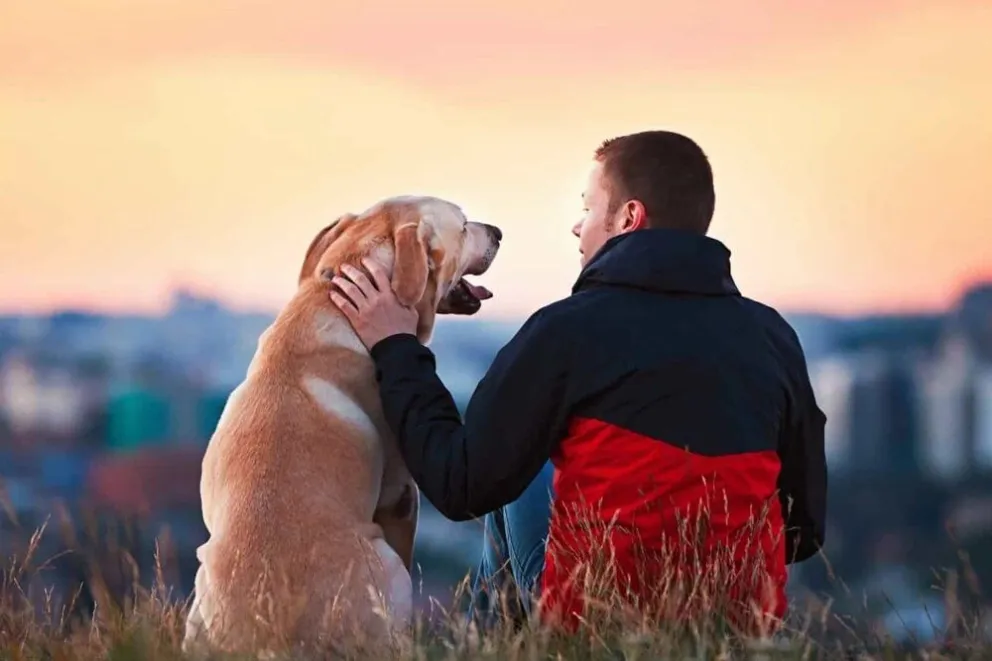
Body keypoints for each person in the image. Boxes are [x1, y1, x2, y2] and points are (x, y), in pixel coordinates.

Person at [329, 130, 827, 632]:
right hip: (739, 629)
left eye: (588, 208)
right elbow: (803, 530)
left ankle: (489, 647)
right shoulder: (773, 338)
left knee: (515, 471)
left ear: (629, 218)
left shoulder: (567, 330)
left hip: (598, 623)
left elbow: (459, 484)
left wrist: (396, 347)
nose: (576, 226)